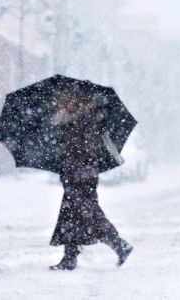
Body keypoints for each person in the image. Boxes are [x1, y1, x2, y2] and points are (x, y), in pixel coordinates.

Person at [49, 90, 133, 271]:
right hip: (75, 174)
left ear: (74, 100)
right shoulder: (74, 119)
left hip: (82, 175)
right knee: (70, 213)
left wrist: (75, 167)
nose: (59, 104)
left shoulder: (84, 119)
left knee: (88, 213)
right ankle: (69, 257)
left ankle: (120, 245)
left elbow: (85, 150)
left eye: (63, 100)